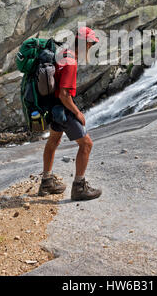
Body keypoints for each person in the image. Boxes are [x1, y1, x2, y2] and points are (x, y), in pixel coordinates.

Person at [38, 27, 102, 201]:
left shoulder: (62, 55)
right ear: (83, 43)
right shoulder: (70, 62)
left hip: (53, 108)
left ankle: (46, 182)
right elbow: (64, 95)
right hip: (64, 109)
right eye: (90, 43)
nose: (91, 46)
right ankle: (79, 187)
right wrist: (78, 113)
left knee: (53, 142)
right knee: (87, 144)